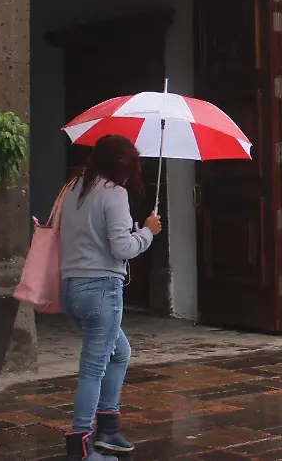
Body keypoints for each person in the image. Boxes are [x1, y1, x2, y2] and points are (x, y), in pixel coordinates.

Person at [59, 134, 162, 461]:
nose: (132, 172)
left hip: (72, 289)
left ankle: (109, 430)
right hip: (102, 290)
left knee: (119, 353)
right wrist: (148, 232)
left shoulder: (74, 188)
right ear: (120, 165)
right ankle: (82, 447)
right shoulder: (114, 194)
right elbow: (122, 249)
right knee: (94, 368)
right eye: (131, 165)